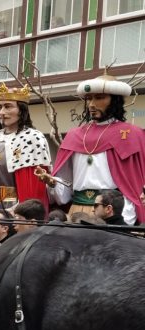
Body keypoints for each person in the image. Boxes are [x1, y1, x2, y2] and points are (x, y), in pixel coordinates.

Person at [35, 72, 145, 225]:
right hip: (77, 211)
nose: (91, 104)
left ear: (115, 100)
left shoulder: (131, 134)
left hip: (110, 213)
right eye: (89, 98)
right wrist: (52, 182)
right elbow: (65, 188)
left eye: (99, 98)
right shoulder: (74, 135)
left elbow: (133, 184)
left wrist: (124, 219)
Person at [0, 83, 51, 210]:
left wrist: (19, 209)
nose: (2, 112)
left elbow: (35, 184)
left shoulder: (32, 138)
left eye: (8, 107)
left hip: (16, 206)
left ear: (21, 110)